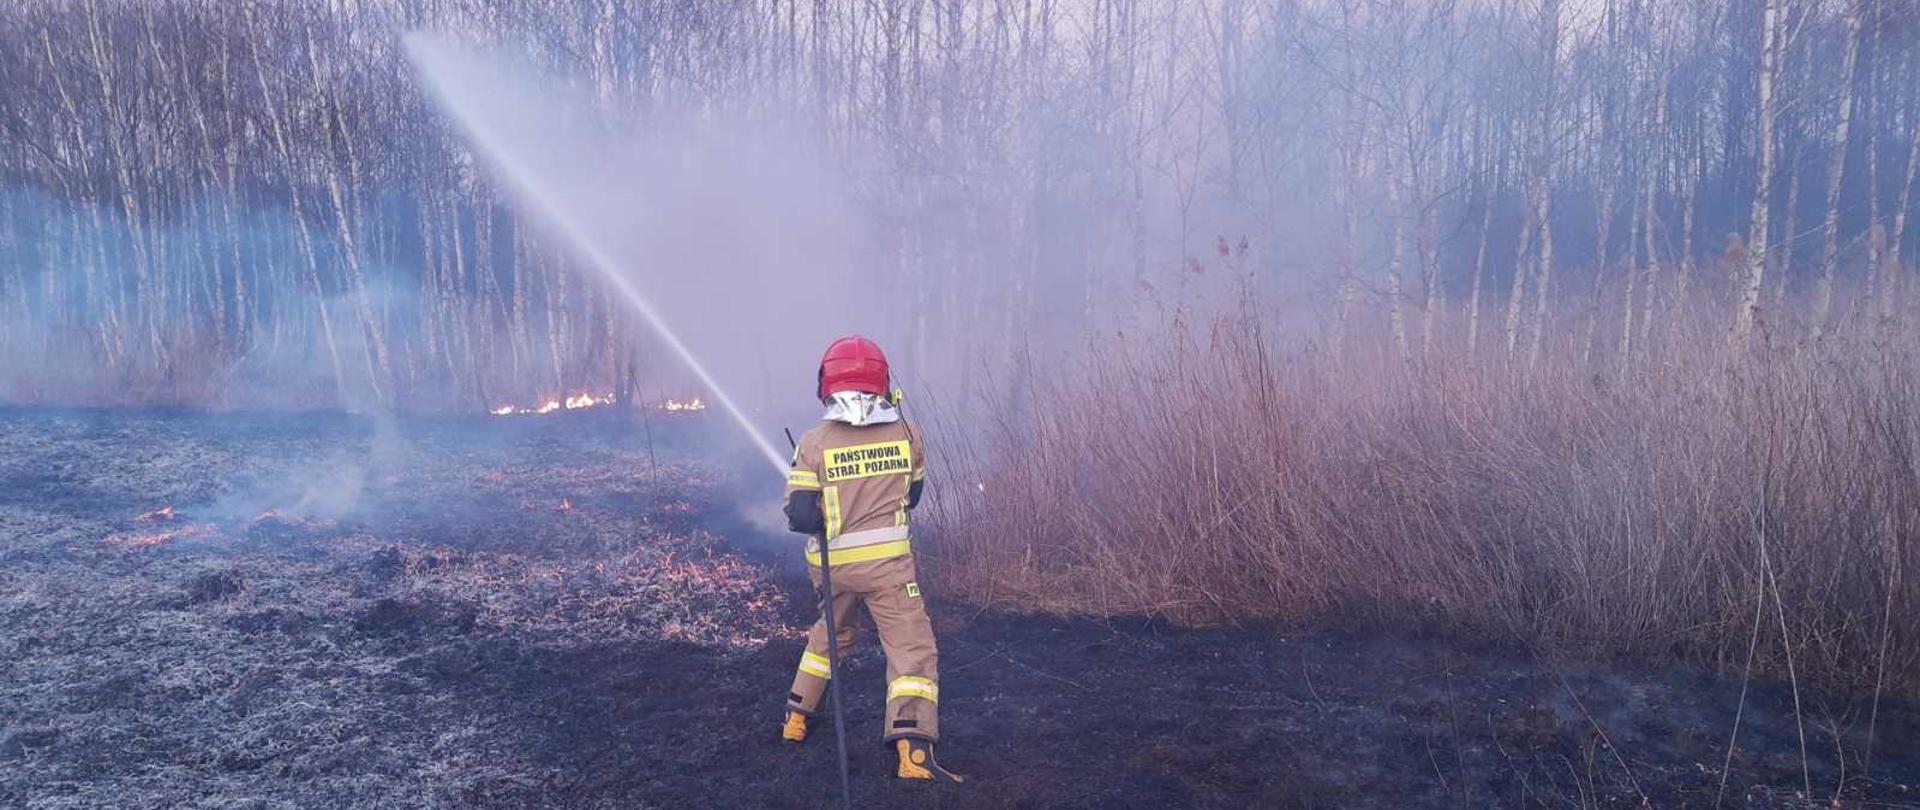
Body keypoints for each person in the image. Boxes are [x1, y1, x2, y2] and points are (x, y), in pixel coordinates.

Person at [779, 335, 958, 782]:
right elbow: (913, 496)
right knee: (911, 650)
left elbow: (800, 516)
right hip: (889, 572)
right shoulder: (907, 434)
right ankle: (913, 751)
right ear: (882, 381)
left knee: (831, 637)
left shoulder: (813, 442)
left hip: (833, 570)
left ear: (827, 382)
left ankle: (796, 719)